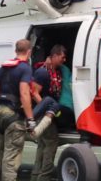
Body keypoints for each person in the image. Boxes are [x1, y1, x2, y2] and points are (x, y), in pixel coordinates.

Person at [0, 39, 36, 181]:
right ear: (28, 52)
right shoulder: (25, 68)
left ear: (16, 51)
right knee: (11, 159)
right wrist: (30, 119)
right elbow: (24, 94)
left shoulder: (3, 68)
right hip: (14, 116)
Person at [30, 44, 74, 181]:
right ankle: (44, 177)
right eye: (62, 57)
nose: (64, 59)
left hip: (50, 111)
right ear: (54, 56)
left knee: (43, 145)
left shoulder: (58, 71)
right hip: (44, 112)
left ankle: (36, 175)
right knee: (51, 142)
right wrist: (45, 107)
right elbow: (34, 92)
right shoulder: (43, 72)